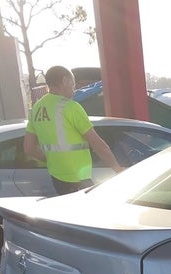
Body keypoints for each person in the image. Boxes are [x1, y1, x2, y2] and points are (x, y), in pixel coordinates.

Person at [24, 66, 124, 195]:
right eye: (73, 84)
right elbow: (97, 144)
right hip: (78, 177)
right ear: (65, 81)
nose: (74, 89)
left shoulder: (36, 108)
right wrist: (117, 168)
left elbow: (28, 148)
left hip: (56, 176)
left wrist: (52, 159)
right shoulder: (70, 107)